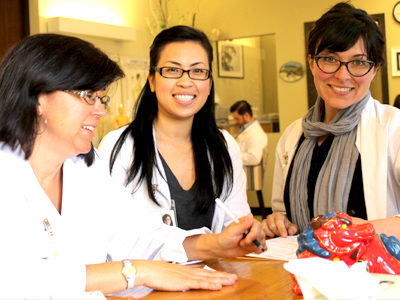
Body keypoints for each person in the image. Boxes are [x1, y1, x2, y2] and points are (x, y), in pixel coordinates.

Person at [0, 33, 265, 298]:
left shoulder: (85, 167)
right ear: (38, 97)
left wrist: (215, 244)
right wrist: (136, 271)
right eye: (86, 96)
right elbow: (16, 279)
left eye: (100, 98)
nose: (100, 111)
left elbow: (136, 235)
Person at [263, 2, 400, 239]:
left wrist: (360, 230)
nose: (342, 75)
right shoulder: (294, 135)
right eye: (330, 59)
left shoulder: (393, 127)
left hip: (372, 273)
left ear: (375, 70)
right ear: (311, 62)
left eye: (359, 62)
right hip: (301, 270)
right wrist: (278, 222)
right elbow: (282, 212)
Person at [99, 25, 252, 233]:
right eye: (172, 70)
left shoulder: (224, 146)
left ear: (209, 83)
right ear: (152, 80)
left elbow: (236, 221)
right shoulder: (120, 146)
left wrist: (247, 233)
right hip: (146, 267)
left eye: (198, 71)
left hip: (218, 266)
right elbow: (108, 236)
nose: (185, 81)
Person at [230, 100, 268, 166]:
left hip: (247, 174)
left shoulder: (255, 133)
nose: (235, 122)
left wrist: (232, 156)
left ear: (246, 115)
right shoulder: (245, 130)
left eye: (237, 119)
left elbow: (254, 158)